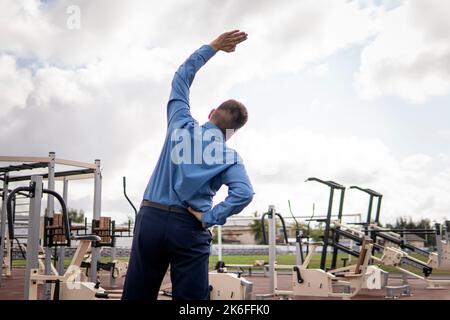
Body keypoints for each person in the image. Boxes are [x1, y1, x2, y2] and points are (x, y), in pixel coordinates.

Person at [122, 30, 254, 300]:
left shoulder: (180, 123)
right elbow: (244, 193)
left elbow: (182, 76)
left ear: (210, 114)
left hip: (151, 219)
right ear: (232, 132)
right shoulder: (230, 157)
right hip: (189, 227)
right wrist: (210, 217)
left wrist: (215, 46)